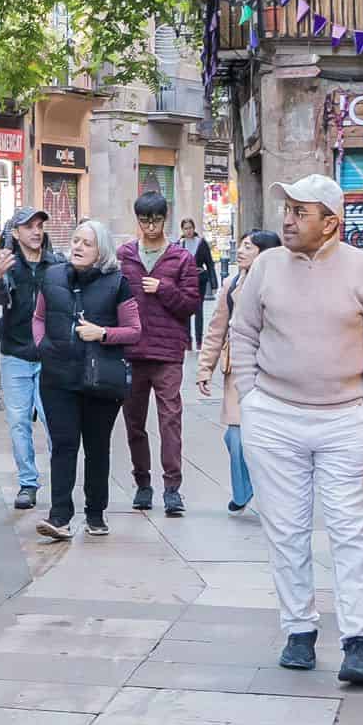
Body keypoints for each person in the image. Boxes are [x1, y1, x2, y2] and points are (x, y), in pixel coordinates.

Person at [229, 174, 363, 685]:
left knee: (351, 531)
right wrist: (251, 395)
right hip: (274, 416)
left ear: (331, 223)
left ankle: (359, 641)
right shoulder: (264, 266)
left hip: (345, 417)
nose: (287, 219)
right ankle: (299, 631)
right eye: (287, 210)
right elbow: (243, 331)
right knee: (286, 530)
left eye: (300, 212)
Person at [31, 220, 142, 542]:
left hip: (100, 381)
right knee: (63, 446)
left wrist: (103, 333)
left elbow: (135, 331)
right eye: (76, 241)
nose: (78, 247)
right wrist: (42, 347)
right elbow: (38, 317)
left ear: (101, 251)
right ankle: (59, 518)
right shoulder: (51, 276)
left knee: (96, 447)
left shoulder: (117, 282)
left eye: (87, 243)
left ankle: (95, 513)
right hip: (57, 378)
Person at [118, 191, 203, 517]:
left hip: (168, 352)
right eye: (144, 220)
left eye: (155, 220)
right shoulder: (125, 255)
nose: (150, 226)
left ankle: (172, 489)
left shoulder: (181, 258)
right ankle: (142, 484)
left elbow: (191, 305)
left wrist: (164, 289)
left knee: (170, 421)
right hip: (132, 350)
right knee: (134, 422)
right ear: (137, 219)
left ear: (165, 219)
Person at [197, 230, 280, 513]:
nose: (241, 251)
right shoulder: (232, 283)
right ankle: (243, 492)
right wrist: (205, 367)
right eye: (242, 246)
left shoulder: (280, 284)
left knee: (265, 439)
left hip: (272, 371)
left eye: (248, 247)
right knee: (234, 436)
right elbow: (217, 328)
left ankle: (268, 491)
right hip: (236, 371)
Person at [0, 208, 60, 509]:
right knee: (19, 421)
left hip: (48, 356)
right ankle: (27, 483)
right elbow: (2, 300)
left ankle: (61, 479)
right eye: (28, 226)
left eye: (39, 225)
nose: (35, 231)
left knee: (54, 420)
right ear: (15, 232)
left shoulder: (56, 265)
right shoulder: (9, 264)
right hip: (15, 353)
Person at [180, 218, 221, 348]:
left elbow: (209, 264)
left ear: (194, 228)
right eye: (185, 228)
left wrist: (214, 284)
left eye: (190, 228)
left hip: (199, 281)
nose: (188, 231)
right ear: (182, 230)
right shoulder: (179, 244)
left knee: (199, 310)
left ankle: (199, 340)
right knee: (185, 311)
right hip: (184, 282)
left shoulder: (201, 243)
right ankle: (187, 340)